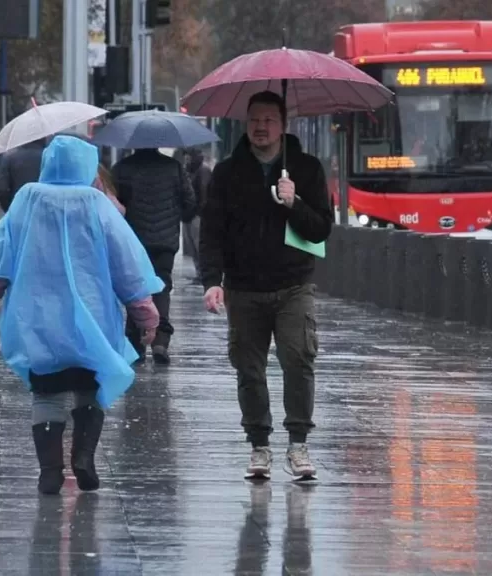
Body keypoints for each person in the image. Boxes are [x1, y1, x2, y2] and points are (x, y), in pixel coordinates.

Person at [0, 135, 164, 496]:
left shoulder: (27, 201)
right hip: (91, 320)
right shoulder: (97, 204)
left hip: (38, 322)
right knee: (88, 390)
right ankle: (84, 456)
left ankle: (50, 470)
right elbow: (127, 266)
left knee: (46, 394)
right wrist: (147, 315)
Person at [199, 90, 333, 481]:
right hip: (243, 288)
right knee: (249, 369)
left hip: (293, 284)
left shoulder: (306, 169)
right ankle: (259, 444)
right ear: (246, 124)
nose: (261, 128)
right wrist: (213, 281)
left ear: (283, 126)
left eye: (269, 120)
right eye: (255, 120)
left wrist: (295, 204)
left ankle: (298, 444)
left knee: (298, 360)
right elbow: (212, 233)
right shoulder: (227, 173)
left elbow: (322, 227)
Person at [112, 146, 198, 365]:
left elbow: (113, 205)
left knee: (135, 288)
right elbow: (189, 204)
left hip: (133, 241)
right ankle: (160, 340)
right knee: (162, 288)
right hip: (165, 243)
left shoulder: (122, 168)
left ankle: (135, 343)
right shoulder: (174, 168)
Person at [181, 147, 212, 278]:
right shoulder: (188, 170)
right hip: (189, 214)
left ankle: (204, 272)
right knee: (192, 247)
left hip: (197, 215)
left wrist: (199, 212)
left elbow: (204, 193)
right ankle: (199, 272)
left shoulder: (203, 170)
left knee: (198, 245)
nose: (186, 158)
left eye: (187, 156)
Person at [0, 139, 44, 212]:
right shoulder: (50, 158)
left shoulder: (10, 158)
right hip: (43, 212)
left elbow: (1, 188)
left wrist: (9, 208)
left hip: (18, 210)